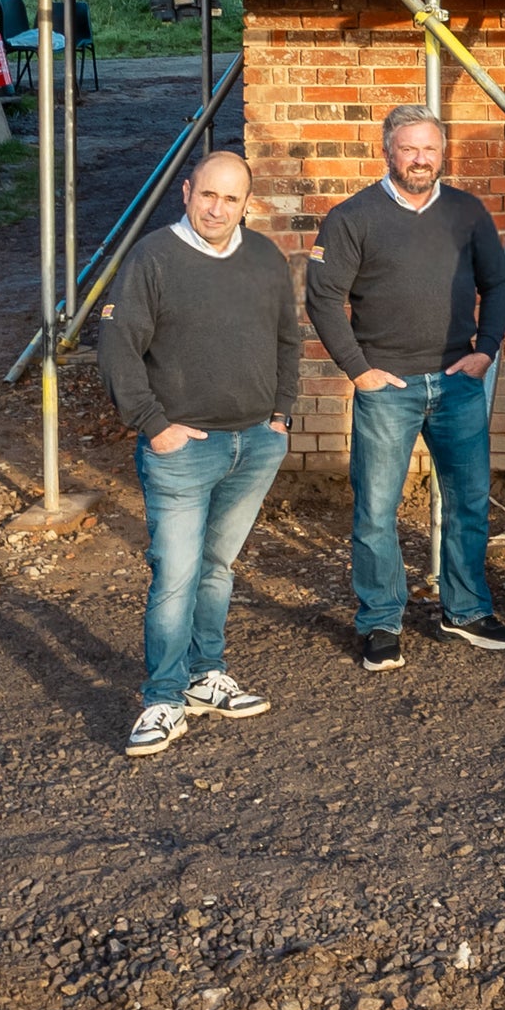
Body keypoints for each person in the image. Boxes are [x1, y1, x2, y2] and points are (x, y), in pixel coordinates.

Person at [306, 102, 505, 670]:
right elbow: (323, 299)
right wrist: (359, 369)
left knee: (469, 501)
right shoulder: (352, 217)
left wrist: (486, 348)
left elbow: (498, 283)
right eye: (409, 148)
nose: (420, 159)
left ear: (442, 153)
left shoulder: (467, 213)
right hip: (387, 386)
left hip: (457, 383)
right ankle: (380, 622)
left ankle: (467, 610)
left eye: (430, 148)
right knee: (376, 509)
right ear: (387, 151)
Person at [98, 150, 298, 759]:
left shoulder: (264, 257)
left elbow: (288, 337)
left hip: (256, 443)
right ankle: (163, 698)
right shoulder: (153, 257)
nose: (217, 208)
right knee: (177, 575)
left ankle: (207, 674)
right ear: (186, 191)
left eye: (231, 199)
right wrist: (152, 425)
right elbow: (117, 347)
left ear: (247, 204)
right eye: (207, 195)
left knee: (218, 567)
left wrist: (282, 415)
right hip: (183, 450)